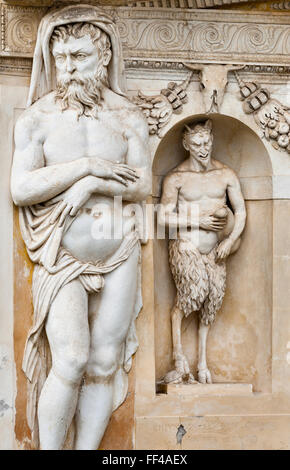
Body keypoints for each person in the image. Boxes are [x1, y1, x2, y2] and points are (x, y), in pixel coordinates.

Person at [10, 5, 151, 450]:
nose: (68, 69)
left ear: (104, 55)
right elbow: (21, 187)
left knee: (104, 362)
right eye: (62, 58)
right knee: (70, 359)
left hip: (120, 249)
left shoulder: (128, 117)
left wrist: (91, 181)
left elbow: (143, 184)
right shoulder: (37, 118)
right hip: (62, 255)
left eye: (80, 56)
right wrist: (86, 166)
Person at [159, 119, 246, 385]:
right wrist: (197, 221)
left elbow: (240, 211)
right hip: (186, 246)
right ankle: (178, 358)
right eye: (197, 144)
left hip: (216, 250)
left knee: (212, 303)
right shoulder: (177, 178)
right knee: (191, 297)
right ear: (186, 144)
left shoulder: (226, 175)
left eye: (207, 142)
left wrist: (231, 240)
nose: (203, 148)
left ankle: (203, 365)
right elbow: (163, 218)